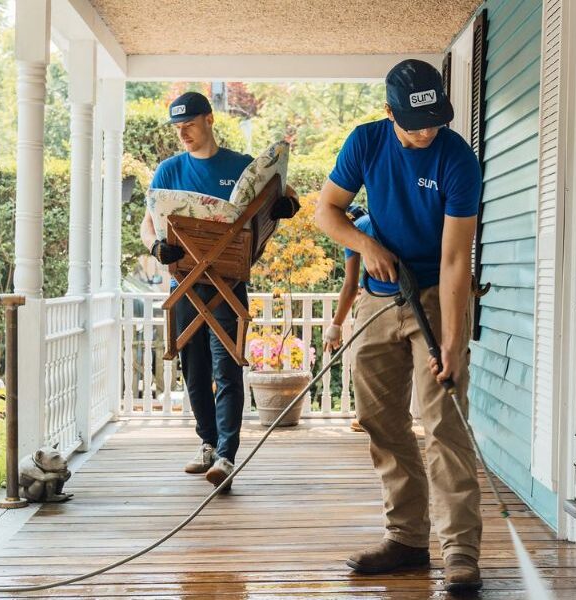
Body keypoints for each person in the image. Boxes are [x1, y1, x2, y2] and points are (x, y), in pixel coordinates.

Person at [313, 59, 484, 593]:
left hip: (435, 294)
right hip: (379, 296)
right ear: (390, 113)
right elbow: (326, 211)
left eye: (435, 120)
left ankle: (460, 552)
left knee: (444, 423)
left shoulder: (458, 160)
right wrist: (365, 245)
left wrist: (451, 343)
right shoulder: (366, 143)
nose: (428, 131)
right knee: (379, 418)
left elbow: (456, 260)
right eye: (416, 123)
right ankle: (407, 539)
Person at [141, 91, 297, 493]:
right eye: (178, 128)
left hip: (228, 284)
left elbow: (284, 191)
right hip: (184, 284)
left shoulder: (240, 166)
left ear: (209, 120)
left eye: (190, 125)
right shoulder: (169, 171)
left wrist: (284, 206)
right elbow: (148, 223)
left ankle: (227, 455)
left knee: (226, 368)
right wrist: (156, 247)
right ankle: (208, 444)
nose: (183, 134)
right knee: (194, 370)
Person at [323, 204, 371, 434]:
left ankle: (366, 417)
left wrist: (335, 325)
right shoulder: (377, 222)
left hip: (377, 297)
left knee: (365, 360)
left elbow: (351, 285)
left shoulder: (355, 230)